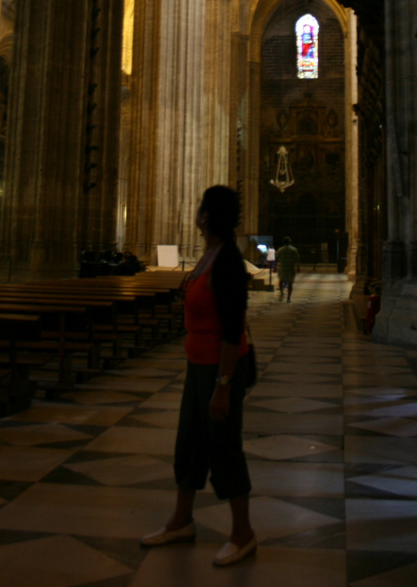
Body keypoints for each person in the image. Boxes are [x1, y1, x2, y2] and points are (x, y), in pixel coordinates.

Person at [140, 185, 256, 567]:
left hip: (220, 369)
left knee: (223, 446)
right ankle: (181, 520)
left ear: (208, 216)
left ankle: (243, 534)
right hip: (197, 365)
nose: (196, 212)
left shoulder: (227, 264)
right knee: (188, 443)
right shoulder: (210, 256)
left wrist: (223, 386)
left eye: (201, 207)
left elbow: (232, 327)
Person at [276, 236, 300, 301]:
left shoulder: (280, 249)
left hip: (283, 267)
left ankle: (282, 293)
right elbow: (297, 259)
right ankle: (289, 297)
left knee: (281, 281)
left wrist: (275, 267)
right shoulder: (293, 249)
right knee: (290, 283)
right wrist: (298, 268)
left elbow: (276, 258)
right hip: (291, 267)